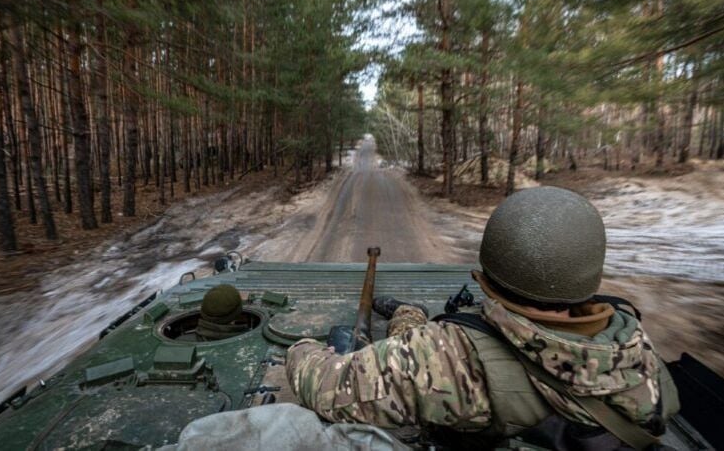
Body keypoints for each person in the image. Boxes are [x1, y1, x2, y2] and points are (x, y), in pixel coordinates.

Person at [286, 186, 680, 450]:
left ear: (488, 275)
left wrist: (303, 349)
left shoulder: (446, 354)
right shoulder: (635, 347)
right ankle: (408, 315)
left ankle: (409, 316)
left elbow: (324, 387)